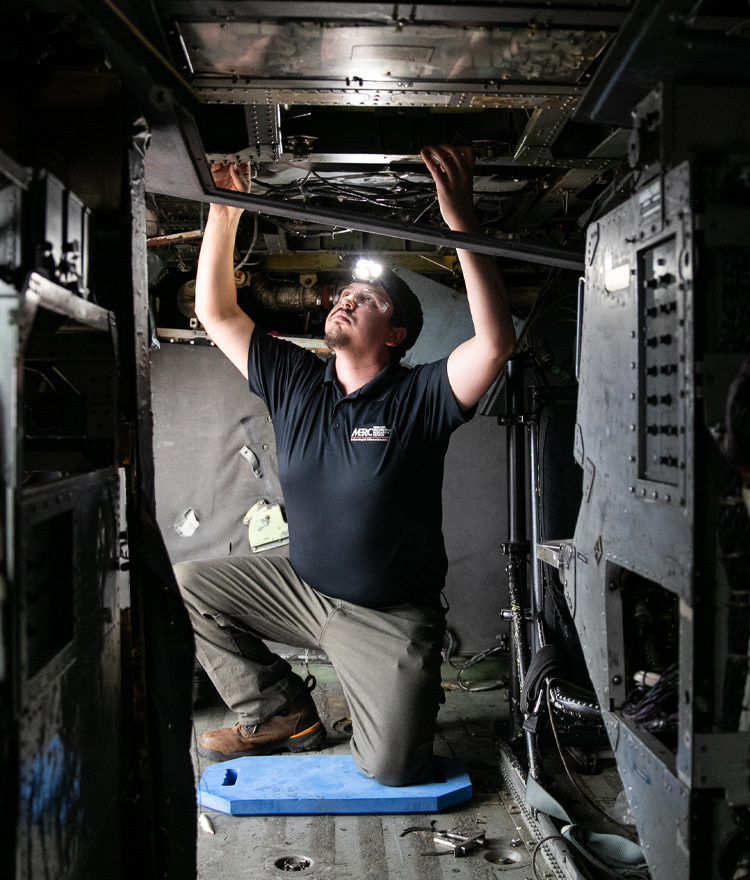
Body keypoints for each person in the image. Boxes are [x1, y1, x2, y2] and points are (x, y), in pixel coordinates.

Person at [175, 145, 516, 786]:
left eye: (370, 299)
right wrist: (223, 210)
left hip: (388, 618)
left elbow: (495, 344)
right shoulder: (295, 379)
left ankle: (403, 694)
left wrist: (460, 222)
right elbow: (216, 312)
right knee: (189, 582)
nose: (348, 300)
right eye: (346, 293)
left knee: (392, 770)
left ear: (396, 336)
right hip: (302, 590)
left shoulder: (422, 394)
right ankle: (279, 713)